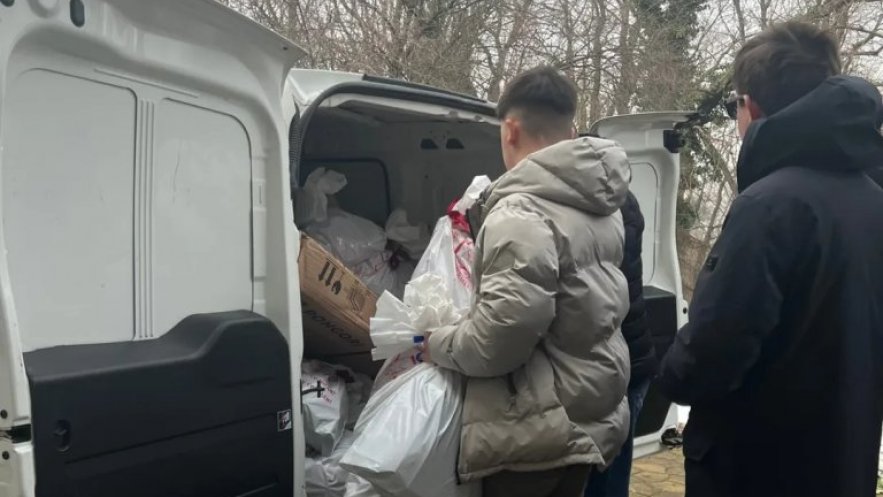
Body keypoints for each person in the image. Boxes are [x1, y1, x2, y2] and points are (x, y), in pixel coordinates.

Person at [658, 21, 883, 497]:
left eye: (733, 107)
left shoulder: (769, 206)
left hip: (758, 468)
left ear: (751, 106)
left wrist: (667, 369)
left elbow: (714, 351)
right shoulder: (872, 201)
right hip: (843, 461)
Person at [422, 66, 632, 497]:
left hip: (537, 431)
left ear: (511, 130)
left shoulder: (520, 213)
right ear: (570, 130)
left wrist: (432, 343)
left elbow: (496, 343)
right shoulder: (602, 207)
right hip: (585, 416)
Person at [584, 190, 657, 497]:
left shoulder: (581, 208)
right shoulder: (623, 199)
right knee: (612, 478)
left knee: (599, 481)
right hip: (633, 362)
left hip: (607, 371)